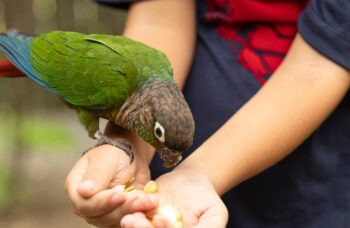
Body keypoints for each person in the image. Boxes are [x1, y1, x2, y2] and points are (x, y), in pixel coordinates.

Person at [65, 0, 350, 227]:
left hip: (310, 198)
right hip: (166, 198)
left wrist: (200, 173)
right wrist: (131, 148)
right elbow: (160, 20)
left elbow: (324, 60)